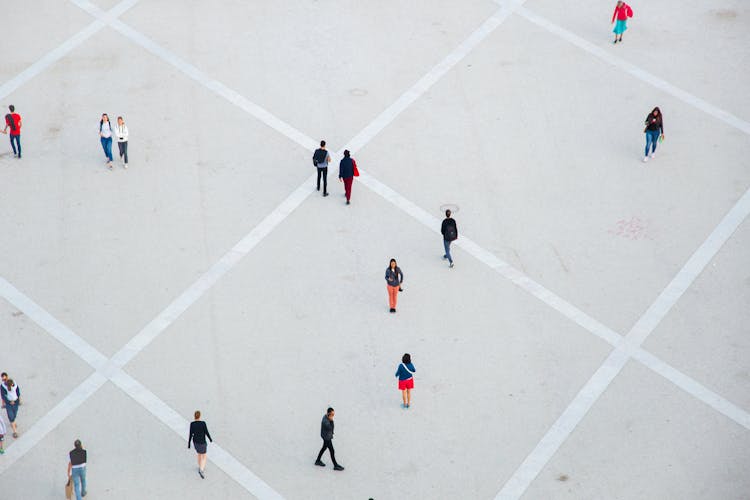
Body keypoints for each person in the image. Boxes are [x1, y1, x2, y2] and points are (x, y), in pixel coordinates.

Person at [188, 410, 212, 478]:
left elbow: (190, 434)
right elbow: (206, 432)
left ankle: (200, 466)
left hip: (195, 442)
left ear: (194, 416)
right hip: (202, 442)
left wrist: (189, 443)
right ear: (200, 416)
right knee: (204, 456)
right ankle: (201, 469)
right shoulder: (203, 423)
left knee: (199, 454)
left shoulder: (192, 424)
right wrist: (210, 439)